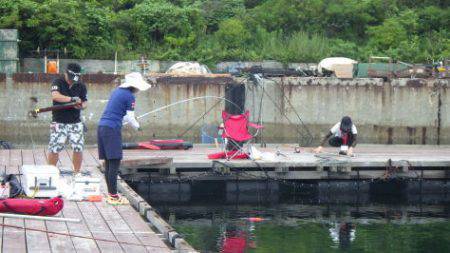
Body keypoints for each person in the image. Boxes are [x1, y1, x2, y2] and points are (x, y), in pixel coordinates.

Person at [97, 72, 150, 205]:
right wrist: (138, 127)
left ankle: (111, 194)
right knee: (114, 162)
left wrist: (128, 120)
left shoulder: (117, 91)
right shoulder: (130, 96)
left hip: (102, 126)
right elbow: (130, 118)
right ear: (135, 86)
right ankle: (114, 197)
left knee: (109, 162)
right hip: (112, 129)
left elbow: (124, 116)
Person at [48, 63, 87, 175]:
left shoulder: (81, 85)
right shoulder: (57, 82)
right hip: (58, 121)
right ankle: (51, 173)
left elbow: (85, 102)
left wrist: (81, 105)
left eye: (74, 80)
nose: (71, 81)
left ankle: (76, 172)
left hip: (75, 122)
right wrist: (72, 99)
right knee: (55, 148)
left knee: (78, 148)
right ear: (65, 73)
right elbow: (55, 96)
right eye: (70, 79)